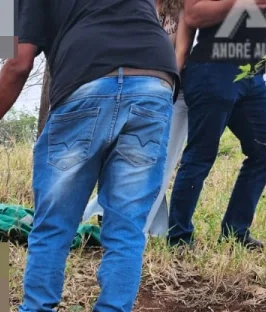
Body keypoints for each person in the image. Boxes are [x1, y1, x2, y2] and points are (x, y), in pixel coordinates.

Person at [0, 0, 177, 312]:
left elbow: (19, 63)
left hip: (86, 85)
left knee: (53, 227)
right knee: (127, 230)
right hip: (153, 79)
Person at [166, 0, 266, 250]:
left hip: (252, 73)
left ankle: (235, 231)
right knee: (201, 153)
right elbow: (194, 14)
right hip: (212, 67)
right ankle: (178, 236)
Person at [84, 0, 197, 237]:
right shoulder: (143, 7)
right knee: (133, 157)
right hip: (137, 89)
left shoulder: (182, 10)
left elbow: (181, 52)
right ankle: (134, 219)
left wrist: (164, 84)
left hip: (171, 90)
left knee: (160, 160)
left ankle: (138, 227)